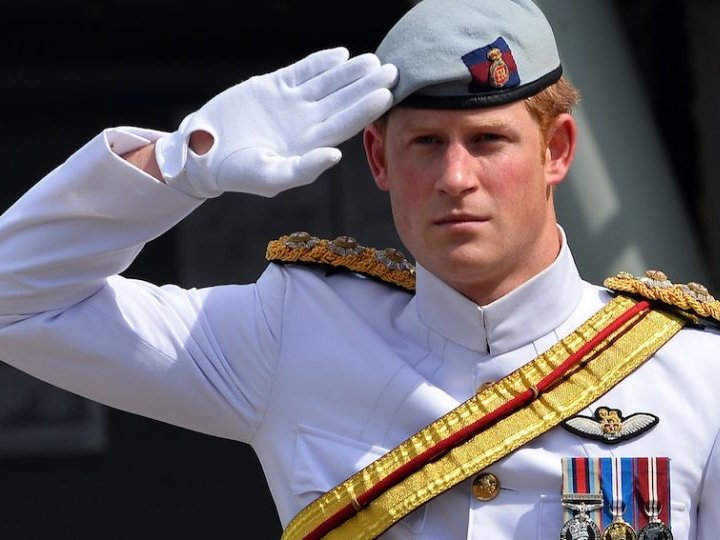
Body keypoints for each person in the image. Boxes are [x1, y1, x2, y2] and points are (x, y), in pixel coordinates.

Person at [0, 0, 718, 538]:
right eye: (426, 142)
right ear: (378, 159)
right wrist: (182, 159)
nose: (455, 177)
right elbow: (15, 300)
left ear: (556, 150)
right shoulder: (291, 333)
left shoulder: (696, 374)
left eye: (488, 140)